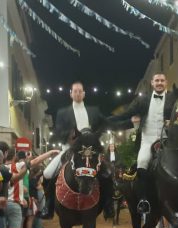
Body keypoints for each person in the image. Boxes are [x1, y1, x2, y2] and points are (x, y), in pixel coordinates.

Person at [44, 81, 126, 218]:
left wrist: (128, 123)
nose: (77, 93)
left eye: (79, 91)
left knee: (108, 173)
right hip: (70, 150)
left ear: (84, 94)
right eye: (74, 91)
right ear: (70, 94)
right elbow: (58, 132)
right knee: (47, 173)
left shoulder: (94, 111)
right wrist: (71, 135)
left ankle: (108, 205)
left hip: (91, 151)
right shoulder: (62, 112)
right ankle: (49, 206)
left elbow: (107, 123)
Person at [108, 73, 176, 214]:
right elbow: (126, 115)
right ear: (152, 83)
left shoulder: (173, 98)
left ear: (166, 83)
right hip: (147, 139)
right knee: (142, 162)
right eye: (156, 80)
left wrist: (173, 123)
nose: (159, 83)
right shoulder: (142, 100)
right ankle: (144, 200)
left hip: (167, 139)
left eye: (162, 80)